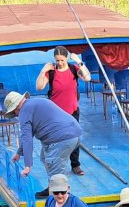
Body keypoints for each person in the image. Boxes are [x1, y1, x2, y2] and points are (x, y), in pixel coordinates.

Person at [5, 91, 83, 199]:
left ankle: (58, 201)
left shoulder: (24, 112)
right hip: (75, 133)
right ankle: (52, 187)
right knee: (45, 157)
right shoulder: (36, 102)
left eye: (14, 113)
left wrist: (28, 165)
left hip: (61, 139)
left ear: (16, 108)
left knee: (55, 167)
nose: (16, 115)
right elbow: (28, 135)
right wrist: (19, 153)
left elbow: (27, 139)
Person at [36, 46, 91, 176]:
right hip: (54, 114)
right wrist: (43, 70)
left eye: (62, 60)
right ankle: (55, 165)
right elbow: (39, 87)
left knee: (74, 138)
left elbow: (87, 78)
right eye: (57, 60)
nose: (59, 63)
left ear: (66, 58)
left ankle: (75, 165)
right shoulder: (52, 72)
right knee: (55, 139)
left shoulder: (73, 69)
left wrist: (79, 61)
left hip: (72, 111)